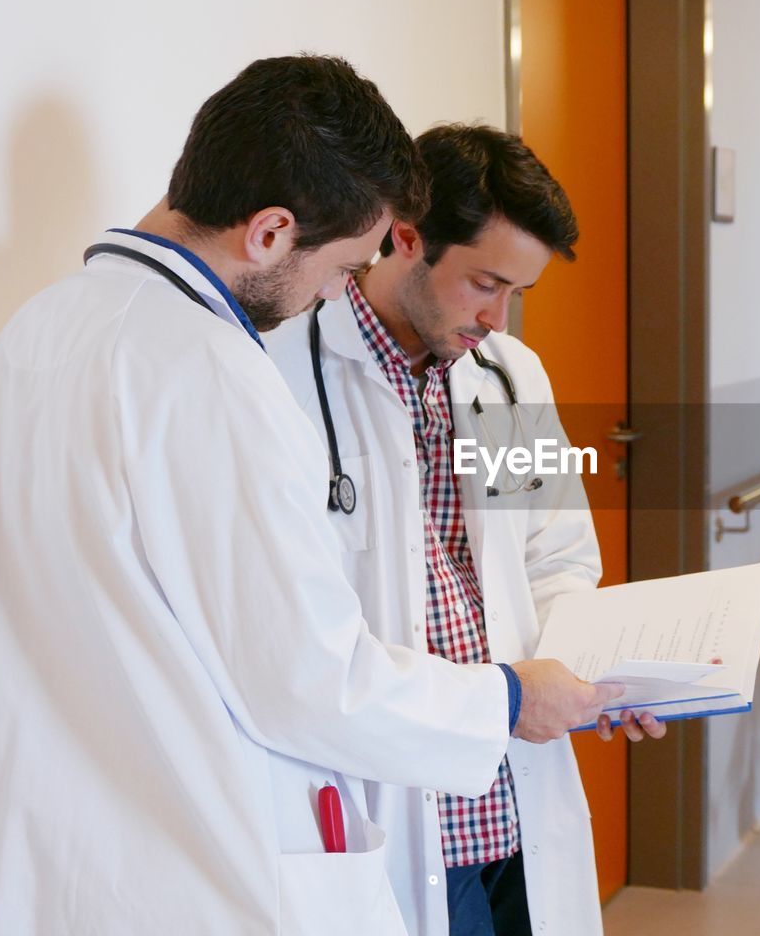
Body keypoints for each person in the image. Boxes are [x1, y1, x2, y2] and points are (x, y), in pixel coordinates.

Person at [0, 56, 619, 936]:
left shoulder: (26, 337)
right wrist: (506, 699)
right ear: (274, 232)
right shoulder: (228, 371)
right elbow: (307, 676)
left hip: (60, 858)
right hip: (233, 844)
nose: (331, 288)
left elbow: (557, 553)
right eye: (341, 264)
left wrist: (582, 676)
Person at [265, 123, 666, 936]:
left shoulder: (510, 375)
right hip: (390, 800)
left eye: (517, 293)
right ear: (406, 238)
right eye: (485, 283)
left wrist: (593, 682)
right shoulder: (282, 371)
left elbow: (558, 555)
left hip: (513, 797)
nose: (500, 316)